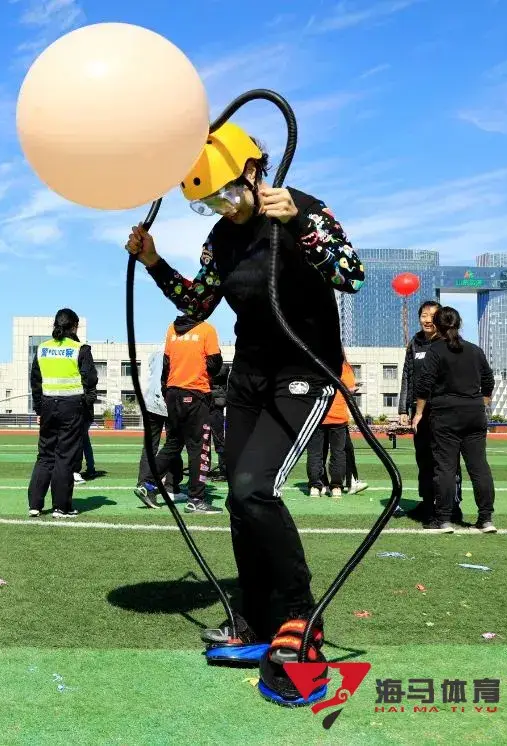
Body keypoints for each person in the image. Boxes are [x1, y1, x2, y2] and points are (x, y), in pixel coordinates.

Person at [125, 121, 366, 685]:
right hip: (249, 379)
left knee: (255, 488)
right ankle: (256, 617)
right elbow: (197, 302)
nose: (222, 208)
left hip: (303, 372)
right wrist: (154, 260)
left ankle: (300, 617)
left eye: (226, 195)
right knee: (238, 498)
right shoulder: (222, 238)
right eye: (208, 203)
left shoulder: (306, 210)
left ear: (253, 171)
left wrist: (299, 223)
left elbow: (351, 275)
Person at [412, 306, 497, 533]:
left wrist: (419, 413)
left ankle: (444, 519)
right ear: (458, 324)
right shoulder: (475, 350)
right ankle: (486, 519)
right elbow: (488, 381)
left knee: (445, 468)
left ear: (438, 326)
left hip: (445, 415)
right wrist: (480, 403)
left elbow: (424, 384)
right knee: (479, 467)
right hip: (474, 414)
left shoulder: (435, 350)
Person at [137, 315, 223, 513]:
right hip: (196, 393)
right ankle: (196, 499)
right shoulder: (206, 329)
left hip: (173, 393)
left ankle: (147, 483)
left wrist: (168, 390)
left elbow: (166, 364)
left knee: (173, 444)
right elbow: (214, 364)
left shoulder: (172, 329)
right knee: (199, 448)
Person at [27, 308, 99, 517]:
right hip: (72, 406)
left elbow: (35, 382)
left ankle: (35, 505)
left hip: (48, 405)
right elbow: (90, 381)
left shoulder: (43, 348)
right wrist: (87, 407)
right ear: (74, 326)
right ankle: (61, 506)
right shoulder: (80, 349)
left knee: (45, 455)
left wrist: (39, 408)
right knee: (65, 456)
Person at [399, 299, 462, 522]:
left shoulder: (447, 343)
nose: (427, 320)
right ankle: (427, 503)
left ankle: (452, 505)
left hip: (443, 410)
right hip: (419, 413)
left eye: (433, 316)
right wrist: (403, 408)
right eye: (424, 315)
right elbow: (407, 375)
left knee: (446, 461)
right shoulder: (414, 343)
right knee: (423, 458)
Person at [134, 346, 183, 505]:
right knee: (173, 445)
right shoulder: (178, 351)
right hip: (167, 402)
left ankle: (143, 483)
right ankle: (170, 486)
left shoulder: (156, 352)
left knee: (150, 446)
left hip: (150, 401)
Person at [306, 359, 355, 497]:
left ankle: (315, 486)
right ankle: (336, 487)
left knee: (315, 453)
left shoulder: (313, 364)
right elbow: (351, 389)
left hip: (316, 416)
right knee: (338, 453)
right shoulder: (344, 367)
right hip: (338, 416)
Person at [208, 361, 230, 480]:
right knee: (203, 441)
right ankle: (204, 469)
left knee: (218, 440)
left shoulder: (222, 368)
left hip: (215, 408)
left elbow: (220, 372)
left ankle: (224, 471)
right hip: (205, 406)